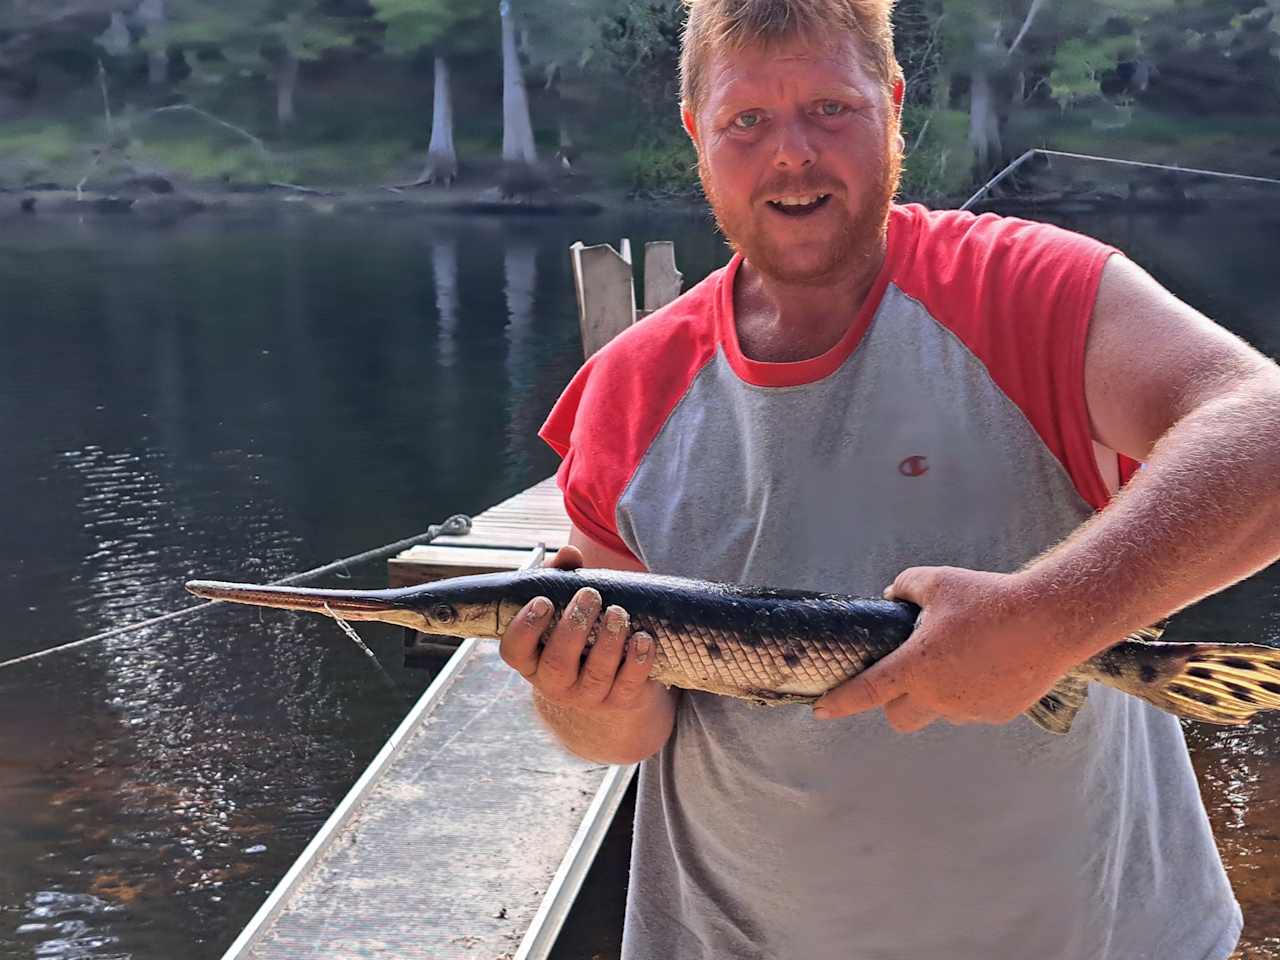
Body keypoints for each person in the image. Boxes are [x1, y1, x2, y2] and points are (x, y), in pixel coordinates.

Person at [499, 1, 1280, 956]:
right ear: (699, 135)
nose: (791, 154)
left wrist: (1050, 620)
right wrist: (584, 697)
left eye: (830, 107)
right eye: (748, 120)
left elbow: (1264, 429)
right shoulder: (627, 388)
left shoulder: (1026, 291)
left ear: (893, 108)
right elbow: (627, 735)